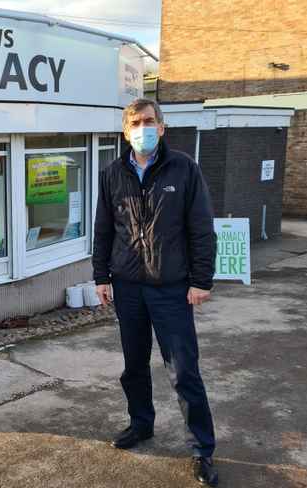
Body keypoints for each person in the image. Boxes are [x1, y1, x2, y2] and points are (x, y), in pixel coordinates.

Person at [92, 98, 219, 486]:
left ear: (161, 127)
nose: (142, 128)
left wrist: (201, 281)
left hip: (171, 289)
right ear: (125, 129)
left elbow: (201, 228)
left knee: (183, 371)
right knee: (133, 367)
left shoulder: (184, 169)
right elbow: (104, 229)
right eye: (135, 122)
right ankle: (141, 424)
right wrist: (101, 275)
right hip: (127, 287)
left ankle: (201, 449)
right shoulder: (112, 173)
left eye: (149, 121)